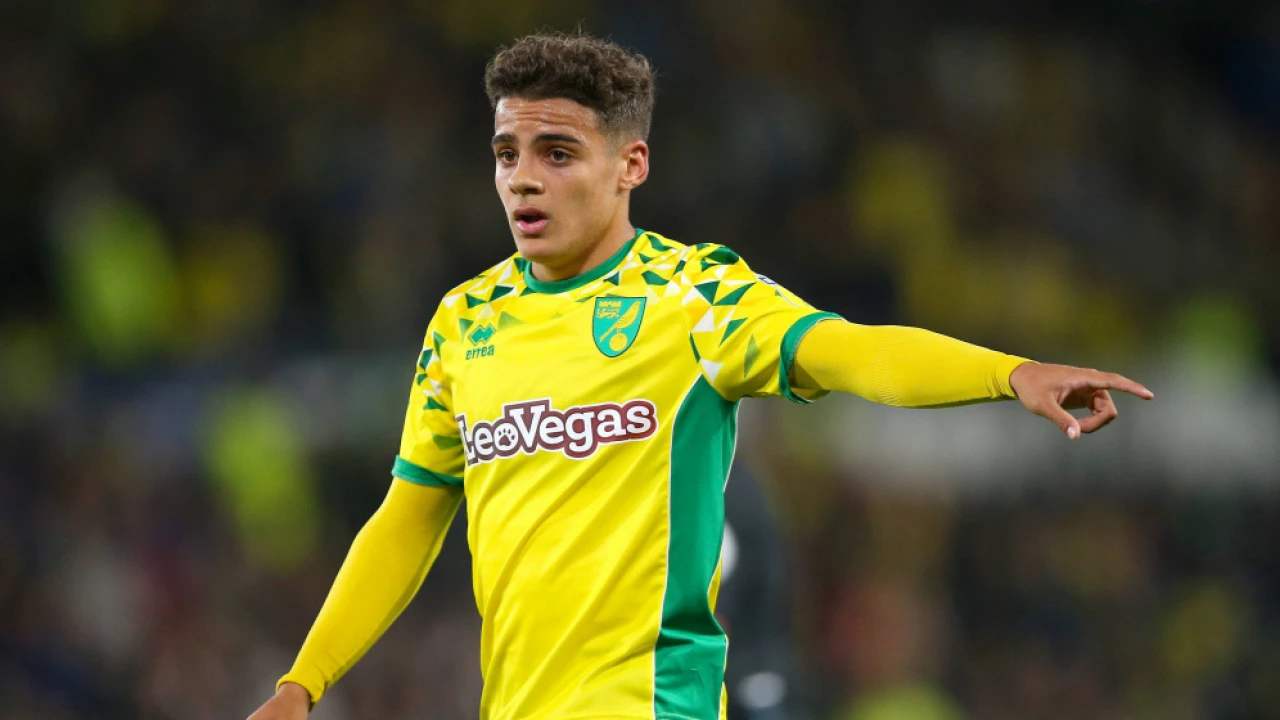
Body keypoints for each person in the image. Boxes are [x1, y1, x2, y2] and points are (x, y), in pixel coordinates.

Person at [246, 31, 1152, 720]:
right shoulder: (464, 321)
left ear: (629, 166)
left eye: (557, 153)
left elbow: (851, 351)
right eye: (506, 153)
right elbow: (408, 516)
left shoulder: (695, 297)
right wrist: (304, 682)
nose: (522, 180)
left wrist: (1009, 374)